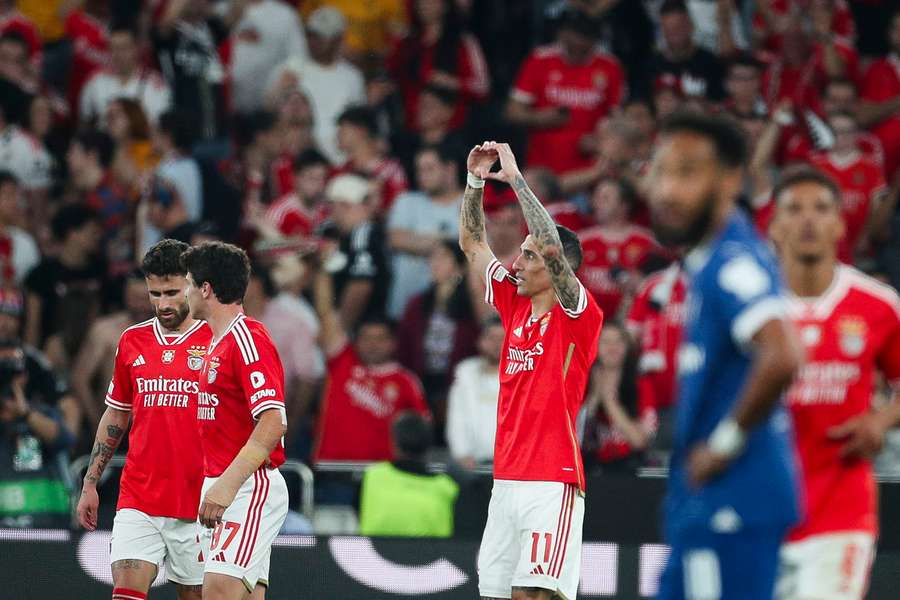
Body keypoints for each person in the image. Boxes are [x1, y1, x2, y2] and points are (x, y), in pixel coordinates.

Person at [646, 112, 802, 599]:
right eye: (662, 170)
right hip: (714, 509)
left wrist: (723, 444)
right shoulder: (711, 260)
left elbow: (782, 354)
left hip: (731, 507)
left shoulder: (732, 263)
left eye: (688, 172)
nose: (668, 189)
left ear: (731, 179)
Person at [460, 141, 604, 600]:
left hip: (551, 479)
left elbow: (551, 248)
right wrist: (475, 181)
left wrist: (517, 178)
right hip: (506, 479)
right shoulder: (512, 305)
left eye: (528, 256)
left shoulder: (578, 315)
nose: (516, 262)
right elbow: (472, 243)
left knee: (533, 596)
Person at [768, 167, 900, 600]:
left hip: (840, 511)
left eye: (821, 208)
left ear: (840, 223)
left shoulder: (877, 305)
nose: (808, 220)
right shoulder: (750, 306)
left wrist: (881, 420)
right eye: (795, 209)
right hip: (759, 510)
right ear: (775, 224)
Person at [75, 239, 212, 600]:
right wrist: (91, 482)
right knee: (126, 593)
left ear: (194, 285)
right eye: (155, 294)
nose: (163, 304)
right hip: (140, 495)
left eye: (171, 292)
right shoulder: (132, 341)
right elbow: (117, 412)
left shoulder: (219, 339)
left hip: (199, 499)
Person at [180, 241, 289, 599]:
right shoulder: (216, 341)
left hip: (248, 486)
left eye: (188, 283)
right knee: (243, 595)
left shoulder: (247, 339)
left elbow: (273, 422)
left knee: (218, 591)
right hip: (223, 485)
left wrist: (226, 486)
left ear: (206, 289)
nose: (186, 291)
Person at [311, 263, 430, 463]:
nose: (372, 345)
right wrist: (323, 267)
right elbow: (326, 313)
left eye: (379, 339)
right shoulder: (343, 360)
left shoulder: (405, 381)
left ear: (393, 343)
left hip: (382, 475)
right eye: (366, 338)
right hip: (331, 470)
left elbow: (421, 428)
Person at [506, 7, 625, 175]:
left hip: (590, 172)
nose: (579, 42)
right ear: (562, 33)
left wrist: (601, 141)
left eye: (585, 36)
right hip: (542, 168)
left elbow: (620, 120)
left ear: (595, 38)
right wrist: (539, 118)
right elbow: (512, 111)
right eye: (575, 34)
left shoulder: (610, 67)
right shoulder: (540, 60)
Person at [265, 6, 366, 166]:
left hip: (339, 158)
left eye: (321, 37)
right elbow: (268, 110)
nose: (314, 41)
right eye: (311, 35)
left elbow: (357, 123)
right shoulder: (292, 68)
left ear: (338, 39)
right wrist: (279, 90)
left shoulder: (352, 77)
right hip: (300, 159)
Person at [396, 239, 478, 418]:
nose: (435, 263)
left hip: (457, 386)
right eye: (432, 258)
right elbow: (404, 348)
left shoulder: (471, 306)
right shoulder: (417, 304)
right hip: (422, 382)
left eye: (443, 258)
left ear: (459, 266)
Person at [0, 338, 74, 529]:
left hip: (44, 529)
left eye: (13, 373)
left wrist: (25, 414)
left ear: (24, 376)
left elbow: (64, 440)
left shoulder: (41, 413)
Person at [387, 143, 462, 318]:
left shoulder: (472, 202)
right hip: (403, 309)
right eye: (419, 170)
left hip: (453, 311)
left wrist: (415, 240)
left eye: (429, 169)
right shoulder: (406, 201)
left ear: (450, 169)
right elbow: (396, 239)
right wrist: (450, 245)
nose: (422, 176)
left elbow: (476, 249)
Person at [358, 410, 459, 538]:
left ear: (394, 443)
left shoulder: (372, 476)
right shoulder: (447, 487)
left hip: (368, 556)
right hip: (434, 555)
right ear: (429, 446)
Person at [578, 177, 659, 318]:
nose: (596, 203)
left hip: (630, 324)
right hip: (588, 323)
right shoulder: (580, 241)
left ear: (624, 205)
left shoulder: (647, 242)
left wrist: (641, 284)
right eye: (595, 197)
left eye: (605, 198)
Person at [324, 173, 391, 330]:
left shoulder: (363, 233)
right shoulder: (338, 232)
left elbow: (361, 285)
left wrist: (340, 332)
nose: (332, 213)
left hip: (363, 328)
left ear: (345, 205)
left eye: (333, 206)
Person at [79, 23, 172, 127]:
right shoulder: (96, 82)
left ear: (136, 48)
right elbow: (84, 124)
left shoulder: (156, 85)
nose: (118, 54)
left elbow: (160, 128)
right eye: (113, 48)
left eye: (123, 48)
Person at [445, 316, 503, 468]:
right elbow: (456, 417)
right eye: (491, 338)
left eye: (502, 338)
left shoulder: (523, 374)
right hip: (472, 463)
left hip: (511, 463)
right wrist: (461, 453)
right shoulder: (466, 372)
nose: (496, 344)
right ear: (480, 341)